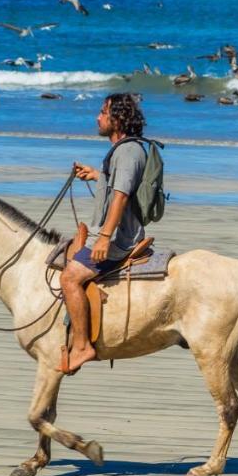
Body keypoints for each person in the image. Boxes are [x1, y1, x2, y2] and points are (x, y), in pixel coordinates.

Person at [61, 93, 148, 372]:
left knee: (69, 278)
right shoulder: (124, 150)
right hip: (112, 234)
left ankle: (83, 345)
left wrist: (105, 237)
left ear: (117, 119)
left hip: (118, 240)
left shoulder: (128, 151)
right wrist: (97, 175)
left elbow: (121, 195)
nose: (97, 117)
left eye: (102, 112)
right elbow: (118, 184)